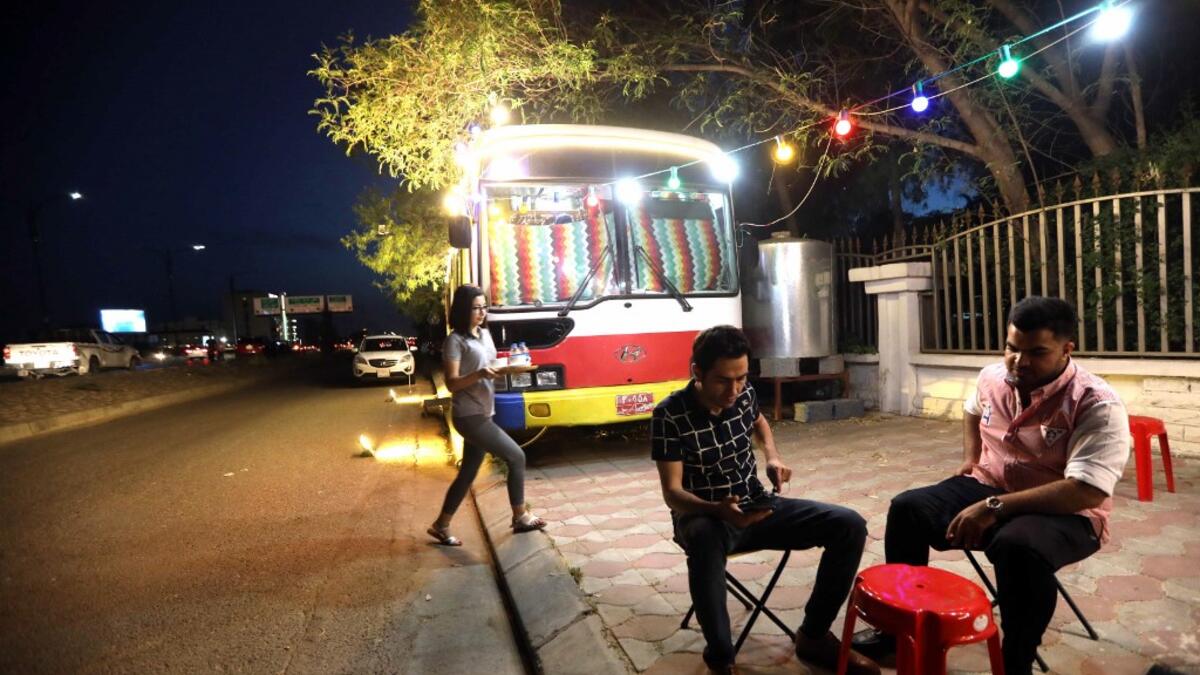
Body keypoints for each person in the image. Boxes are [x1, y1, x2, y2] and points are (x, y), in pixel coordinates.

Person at [853, 296, 1131, 674]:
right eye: (1012, 349)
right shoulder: (992, 377)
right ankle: (897, 635)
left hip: (1068, 512)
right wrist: (972, 458)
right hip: (991, 483)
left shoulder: (1095, 403)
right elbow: (971, 410)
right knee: (908, 509)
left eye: (1037, 352)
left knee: (1018, 548)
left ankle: (1016, 662)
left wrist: (993, 508)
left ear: (1067, 349)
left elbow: (1086, 490)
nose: (1019, 362)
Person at [651, 325, 879, 675]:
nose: (734, 390)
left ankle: (814, 636)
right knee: (704, 540)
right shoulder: (669, 415)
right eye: (723, 381)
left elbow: (759, 422)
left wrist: (772, 456)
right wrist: (718, 511)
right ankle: (722, 658)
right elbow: (673, 494)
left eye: (741, 378)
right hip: (704, 515)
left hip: (756, 504)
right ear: (697, 371)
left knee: (849, 525)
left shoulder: (743, 394)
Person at [428, 285, 546, 546]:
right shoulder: (455, 341)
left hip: (484, 410)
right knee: (516, 456)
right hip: (469, 415)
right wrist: (480, 375)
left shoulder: (484, 334)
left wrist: (508, 368)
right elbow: (452, 384)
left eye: (484, 307)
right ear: (462, 310)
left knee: (468, 473)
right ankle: (520, 516)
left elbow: (490, 365)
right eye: (476, 308)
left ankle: (441, 525)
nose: (482, 312)